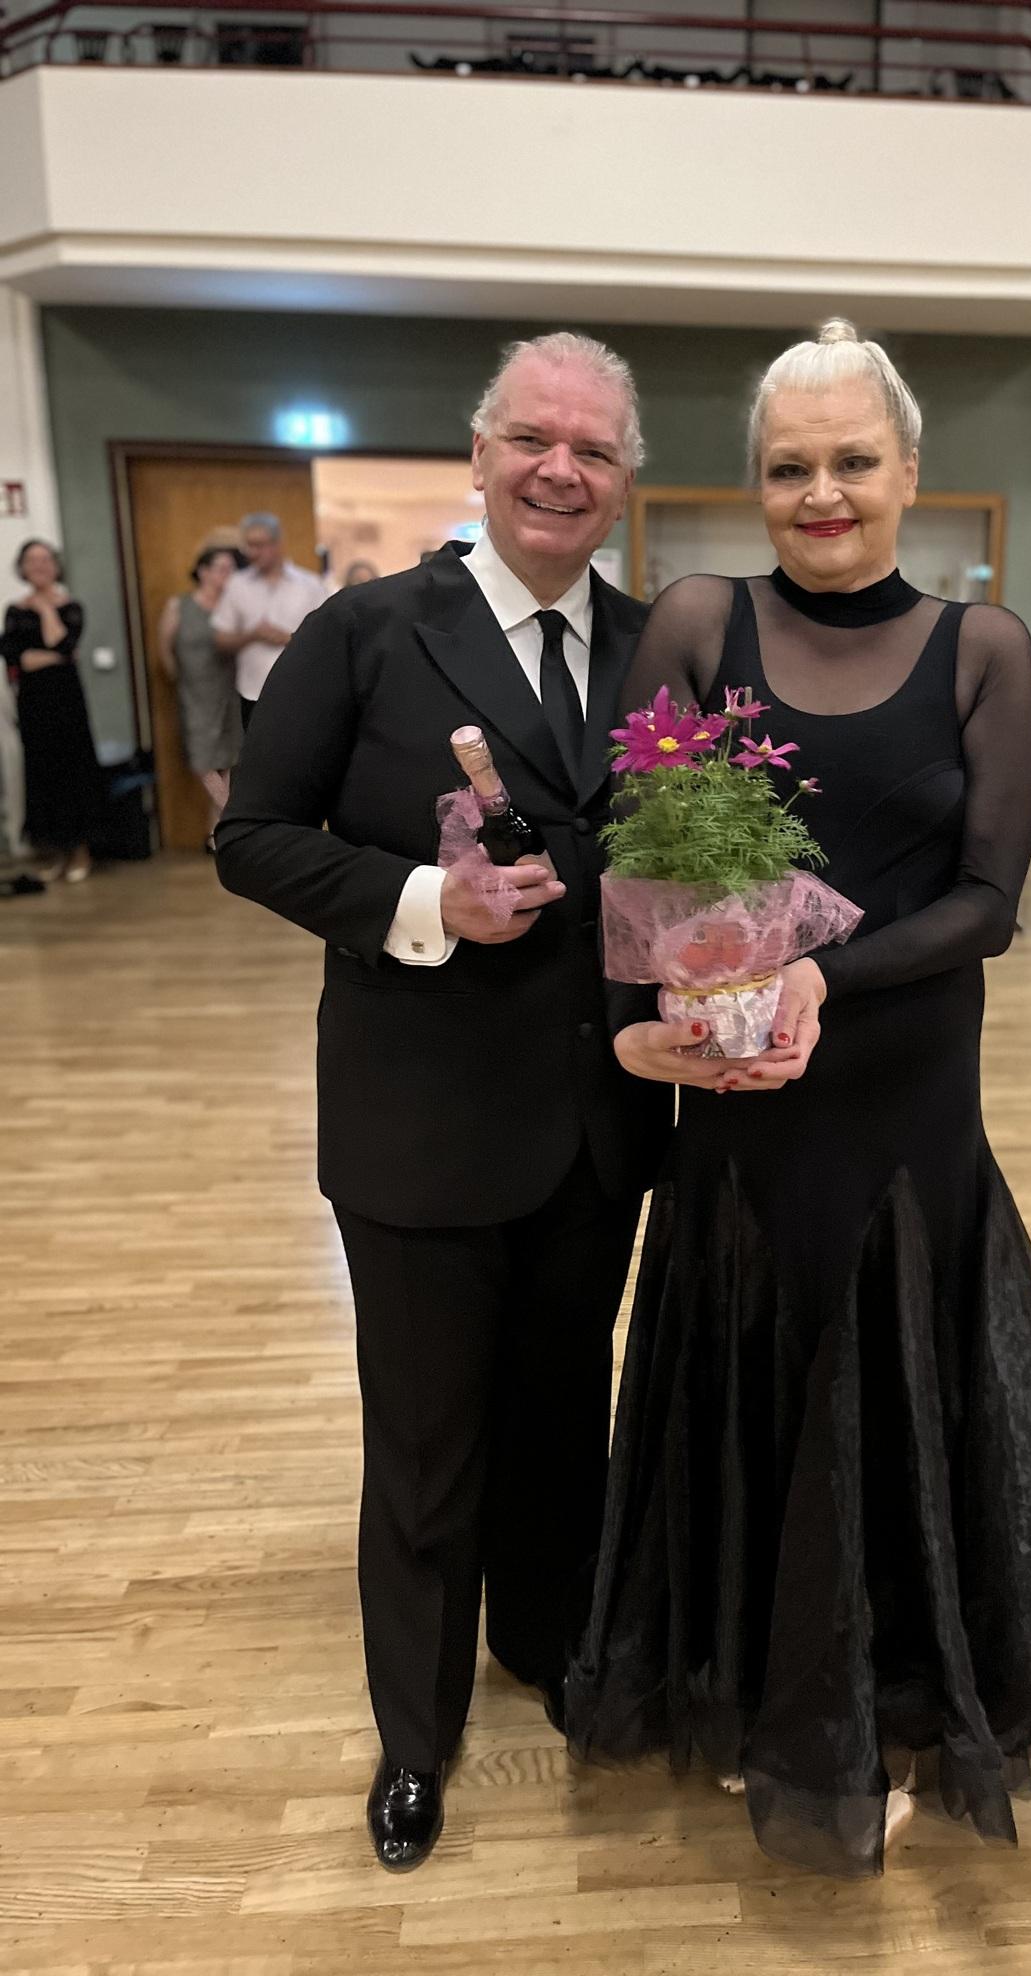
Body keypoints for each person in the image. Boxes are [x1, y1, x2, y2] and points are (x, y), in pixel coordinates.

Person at [565, 320, 1031, 1879]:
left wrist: (818, 979)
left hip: (900, 1097)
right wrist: (643, 1028)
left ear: (907, 471)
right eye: (791, 467)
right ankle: (743, 1675)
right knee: (746, 1368)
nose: (822, 492)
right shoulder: (697, 622)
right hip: (736, 1097)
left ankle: (884, 1689)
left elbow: (988, 900)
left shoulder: (981, 650)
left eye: (853, 461)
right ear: (757, 483)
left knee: (887, 1394)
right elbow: (630, 855)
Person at [214, 332, 672, 1873]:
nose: (561, 468)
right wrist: (423, 898)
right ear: (478, 458)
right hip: (419, 1123)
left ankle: (548, 1652)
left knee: (561, 1420)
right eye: (534, 439)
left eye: (593, 450)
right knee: (425, 1445)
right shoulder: (365, 632)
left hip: (601, 1124)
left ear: (623, 483)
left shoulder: (659, 647)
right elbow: (254, 838)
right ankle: (415, 1736)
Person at [0, 539, 104, 884]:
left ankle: (82, 852)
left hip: (67, 703)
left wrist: (46, 609)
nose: (40, 566)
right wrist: (54, 655)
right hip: (33, 703)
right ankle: (58, 853)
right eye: (32, 561)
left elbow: (65, 643)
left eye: (46, 560)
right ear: (22, 567)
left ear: (56, 566)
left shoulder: (70, 606)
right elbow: (19, 658)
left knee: (74, 769)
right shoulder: (14, 610)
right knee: (44, 774)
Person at [210, 513, 327, 730]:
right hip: (251, 694)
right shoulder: (237, 585)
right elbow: (219, 639)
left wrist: (289, 639)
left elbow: (327, 639)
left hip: (301, 691)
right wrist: (252, 635)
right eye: (249, 546)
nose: (253, 553)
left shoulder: (310, 585)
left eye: (260, 545)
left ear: (278, 544)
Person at [158, 544, 245, 839]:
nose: (227, 575)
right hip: (195, 690)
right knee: (203, 758)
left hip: (231, 687)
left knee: (229, 757)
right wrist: (179, 677)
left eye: (232, 569)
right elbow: (165, 649)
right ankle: (236, 817)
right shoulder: (179, 605)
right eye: (221, 568)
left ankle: (217, 832)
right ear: (203, 571)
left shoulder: (234, 607)